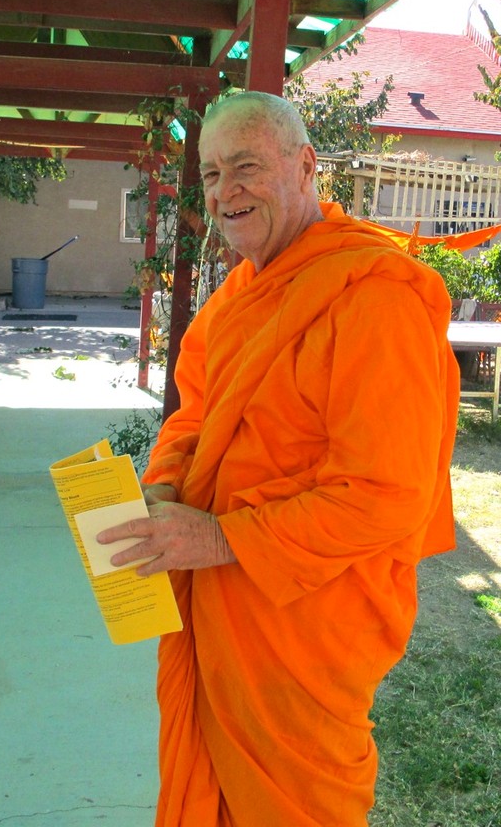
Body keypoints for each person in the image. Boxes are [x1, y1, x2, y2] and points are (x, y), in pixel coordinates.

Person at [97, 91, 459, 826]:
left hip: (301, 630)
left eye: (245, 167)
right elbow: (193, 416)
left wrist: (221, 537)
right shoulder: (236, 299)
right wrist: (164, 484)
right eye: (208, 174)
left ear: (304, 167)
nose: (224, 192)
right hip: (217, 616)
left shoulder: (374, 297)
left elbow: (387, 493)